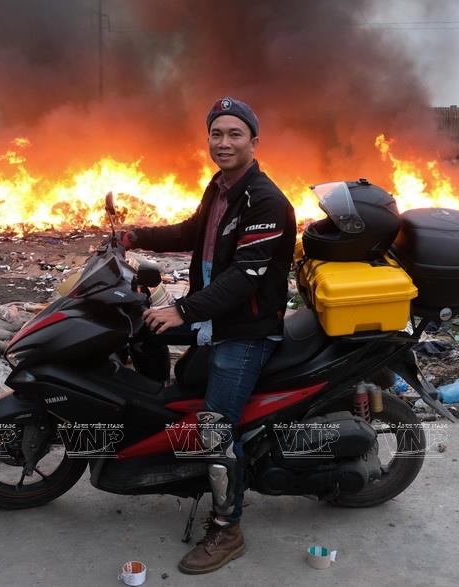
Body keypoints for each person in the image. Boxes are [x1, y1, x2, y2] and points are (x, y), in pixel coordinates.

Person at [122, 97, 296, 574]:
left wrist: (182, 310)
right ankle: (160, 441)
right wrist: (136, 236)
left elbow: (245, 278)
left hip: (245, 332)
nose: (223, 143)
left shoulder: (266, 201)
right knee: (141, 336)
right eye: (216, 134)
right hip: (214, 318)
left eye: (234, 134)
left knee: (218, 429)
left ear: (254, 142)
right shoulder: (220, 187)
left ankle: (228, 527)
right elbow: (194, 231)